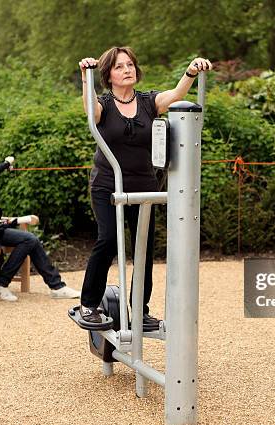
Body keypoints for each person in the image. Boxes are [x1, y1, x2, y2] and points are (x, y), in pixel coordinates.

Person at [78, 47, 212, 325]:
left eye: (130, 65)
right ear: (108, 75)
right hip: (107, 185)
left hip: (144, 187)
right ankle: (89, 305)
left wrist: (191, 71)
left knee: (143, 248)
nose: (127, 70)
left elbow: (176, 95)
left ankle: (140, 310)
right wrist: (85, 76)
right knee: (108, 241)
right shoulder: (103, 104)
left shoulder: (149, 101)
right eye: (119, 67)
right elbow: (91, 109)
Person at [0, 146, 81, 301]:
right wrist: (5, 164)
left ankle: (57, 287)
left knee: (29, 239)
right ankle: (2, 283)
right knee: (29, 239)